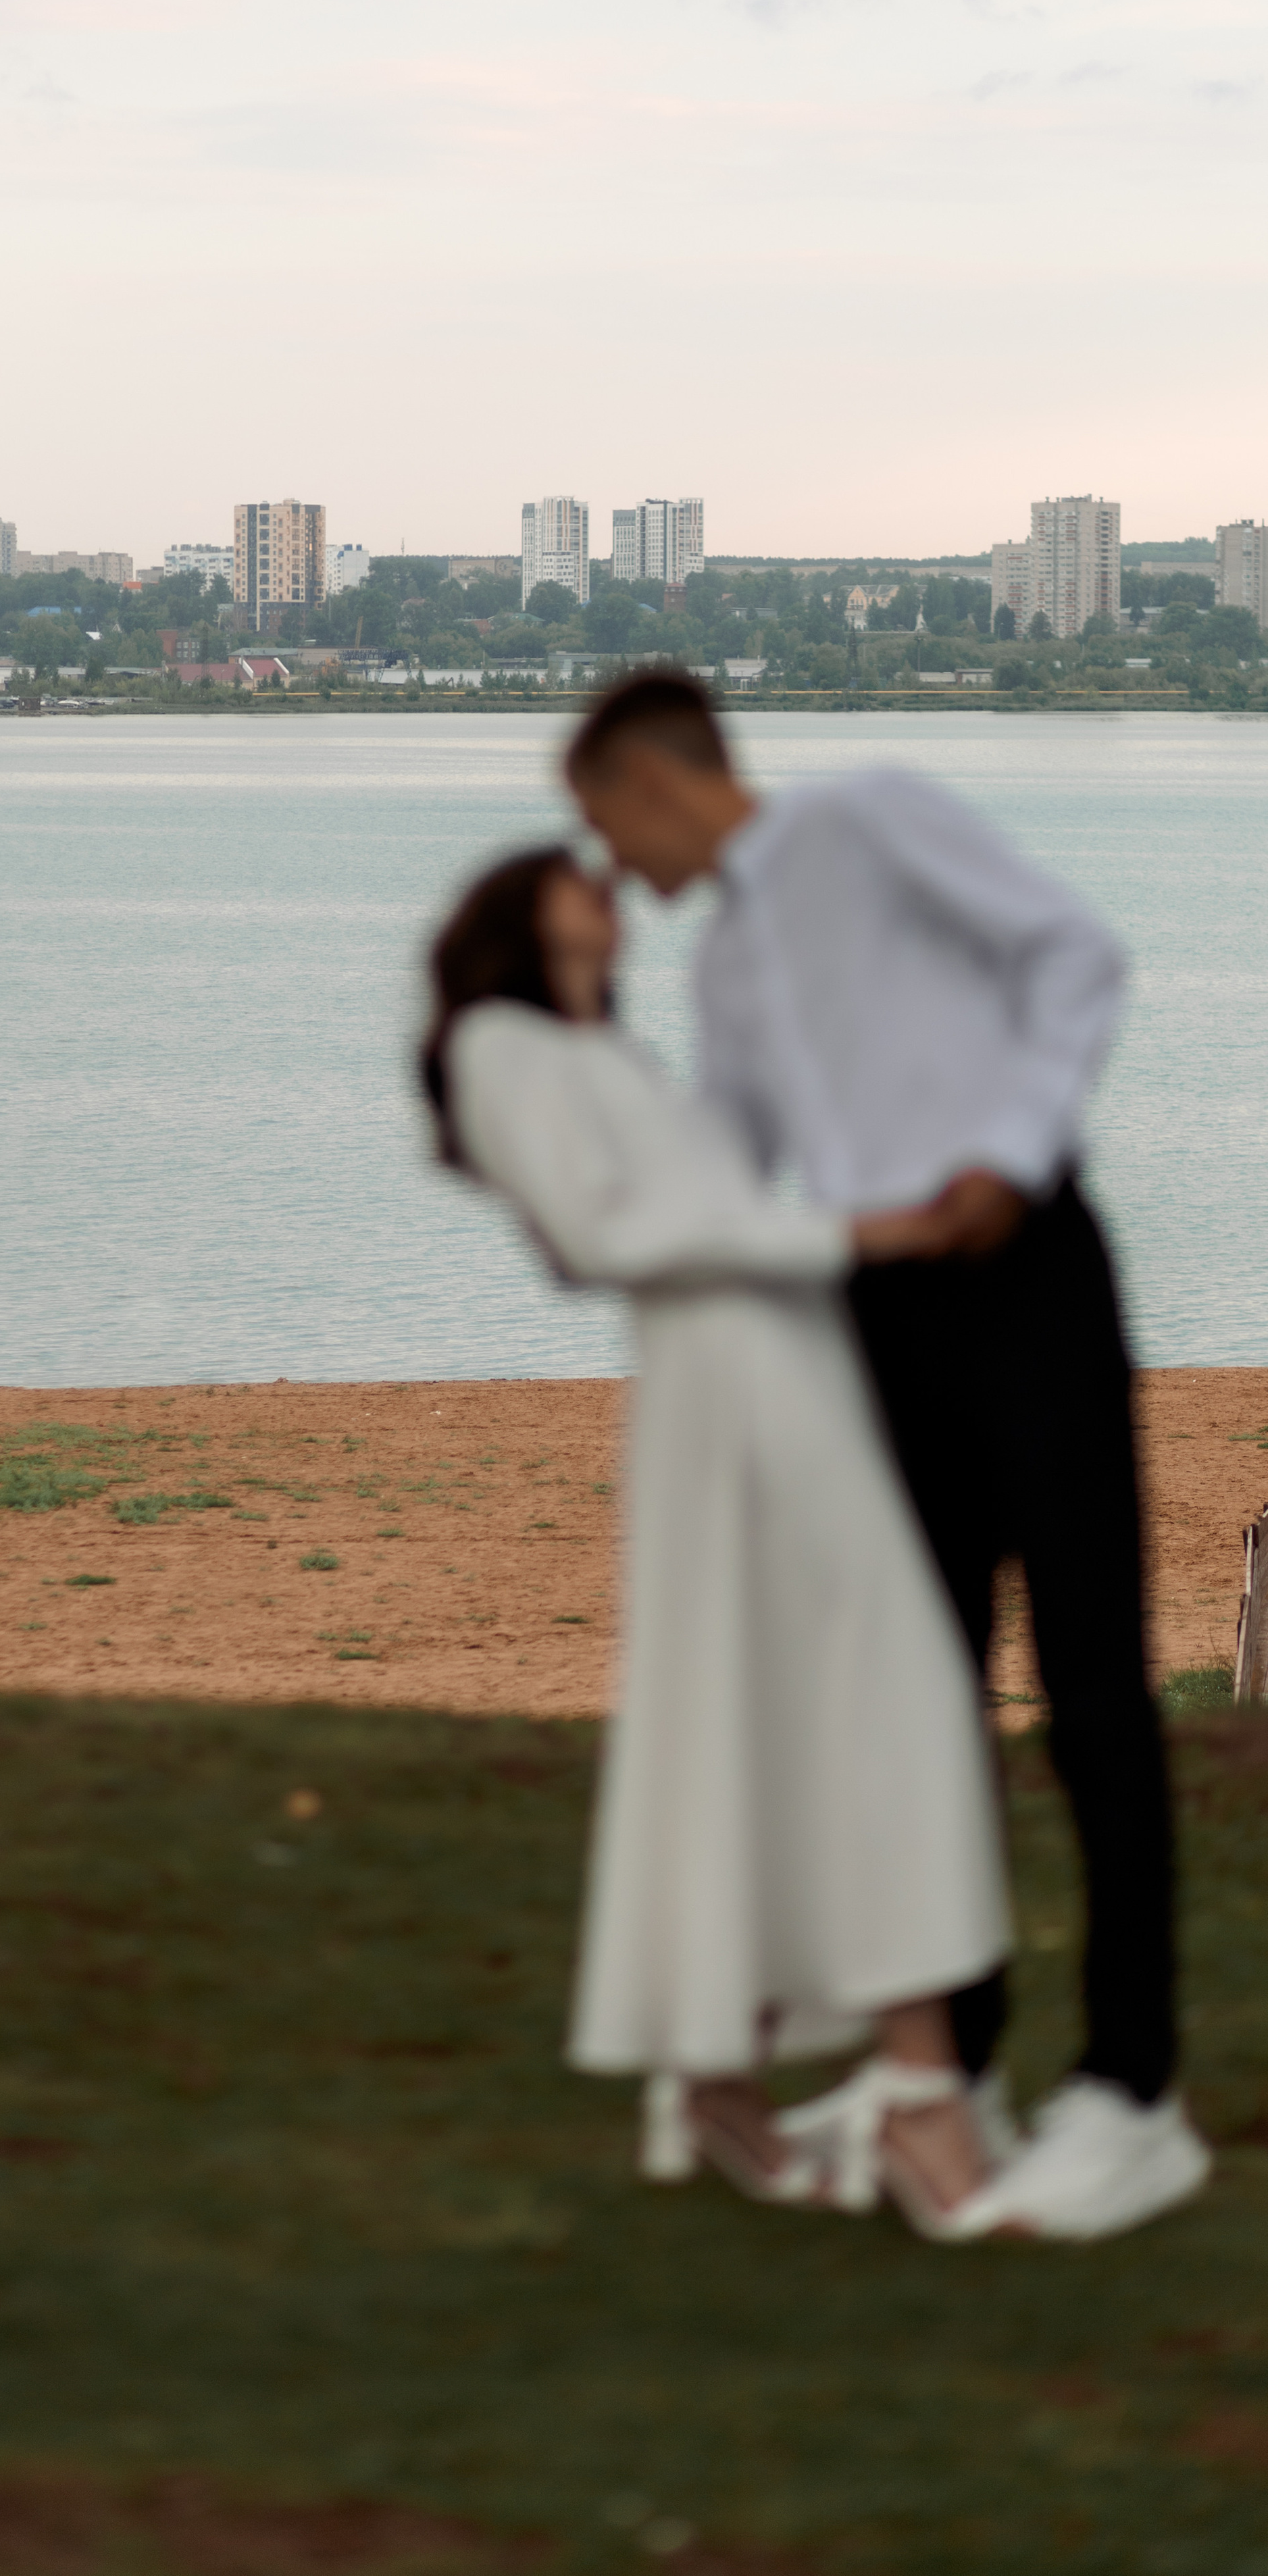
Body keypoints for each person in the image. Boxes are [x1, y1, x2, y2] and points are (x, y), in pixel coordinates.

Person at [565, 670, 1211, 2242]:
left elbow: (1070, 952)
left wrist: (1008, 1145)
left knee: (1090, 1682)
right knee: (922, 1700)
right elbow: (729, 1166)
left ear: (655, 781)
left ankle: (1131, 2091)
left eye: (606, 829)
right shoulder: (719, 963)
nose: (617, 874)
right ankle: (957, 2070)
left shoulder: (870, 819)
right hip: (873, 1313)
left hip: (1023, 1266)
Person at [423, 846, 1014, 2239]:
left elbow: (684, 1208)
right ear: (522, 911)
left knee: (789, 1714)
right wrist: (844, 1236)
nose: (608, 884)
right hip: (727, 1392)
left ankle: (719, 2077)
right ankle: (915, 2094)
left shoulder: (604, 1053)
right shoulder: (497, 1045)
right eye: (577, 870)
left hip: (778, 1372)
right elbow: (597, 1234)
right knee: (876, 1702)